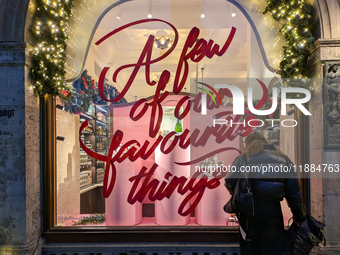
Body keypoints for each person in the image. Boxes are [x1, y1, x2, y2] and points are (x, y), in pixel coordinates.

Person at [224, 132, 307, 255]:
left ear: (247, 144)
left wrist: (239, 193)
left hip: (249, 212)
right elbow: (293, 192)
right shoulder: (283, 159)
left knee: (250, 249)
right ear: (266, 142)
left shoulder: (243, 158)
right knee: (273, 249)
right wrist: (300, 216)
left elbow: (229, 181)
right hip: (273, 212)